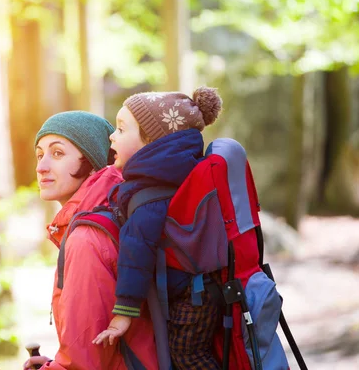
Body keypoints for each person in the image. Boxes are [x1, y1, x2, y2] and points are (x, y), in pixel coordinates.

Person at [92, 88, 223, 369]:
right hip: (200, 289)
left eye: (121, 129)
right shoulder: (170, 175)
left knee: (188, 356)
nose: (112, 136)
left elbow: (136, 251)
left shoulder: (151, 194)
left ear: (151, 141)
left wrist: (123, 312)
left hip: (193, 296)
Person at [23, 111, 158, 370]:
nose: (41, 166)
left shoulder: (87, 239)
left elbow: (84, 364)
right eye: (40, 155)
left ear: (93, 162)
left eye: (58, 153)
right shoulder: (107, 218)